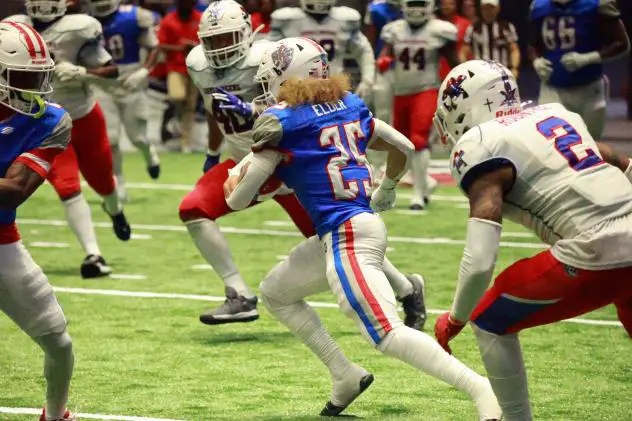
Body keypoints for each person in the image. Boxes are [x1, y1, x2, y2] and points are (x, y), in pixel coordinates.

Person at [223, 37, 502, 419]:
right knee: (276, 293)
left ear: (288, 77)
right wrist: (387, 187)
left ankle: (482, 390)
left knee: (387, 334)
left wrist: (235, 177)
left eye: (271, 78)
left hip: (345, 235)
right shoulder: (349, 104)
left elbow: (236, 201)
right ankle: (344, 375)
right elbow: (400, 144)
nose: (267, 87)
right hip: (354, 225)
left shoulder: (282, 124)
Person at [181, 0, 426, 329]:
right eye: (212, 41)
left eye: (226, 39)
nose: (219, 49)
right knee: (193, 208)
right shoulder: (198, 65)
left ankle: (406, 288)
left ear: (245, 33)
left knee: (335, 237)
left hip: (293, 162)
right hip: (249, 160)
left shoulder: (273, 57)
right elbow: (217, 111)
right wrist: (213, 151)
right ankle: (238, 293)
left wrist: (253, 111)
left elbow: (299, 109)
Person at [433, 59, 632, 421]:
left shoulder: (481, 142)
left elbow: (480, 259)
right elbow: (620, 162)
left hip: (595, 247)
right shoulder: (558, 115)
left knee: (487, 318)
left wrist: (456, 318)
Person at [4, 0, 132, 278]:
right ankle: (93, 254)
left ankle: (114, 209)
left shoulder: (79, 29)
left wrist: (83, 72)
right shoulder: (14, 29)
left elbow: (113, 70)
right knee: (67, 186)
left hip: (83, 116)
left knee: (103, 181)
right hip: (43, 122)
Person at [0, 21, 76, 421]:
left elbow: (15, 189)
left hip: (1, 239)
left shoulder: (49, 120)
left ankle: (56, 413)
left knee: (58, 341)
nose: (34, 89)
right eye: (22, 77)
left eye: (36, 76)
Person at [377, 0, 457, 210]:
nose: (415, 8)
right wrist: (384, 60)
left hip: (426, 89)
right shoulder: (394, 30)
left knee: (418, 139)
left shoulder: (439, 30)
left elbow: (454, 60)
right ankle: (426, 183)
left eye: (420, 3)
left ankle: (418, 195)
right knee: (401, 143)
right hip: (400, 91)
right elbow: (386, 53)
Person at [86, 0, 162, 203]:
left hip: (131, 81)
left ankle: (149, 154)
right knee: (110, 139)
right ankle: (118, 183)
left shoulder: (134, 16)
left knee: (137, 138)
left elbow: (154, 46)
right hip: (102, 84)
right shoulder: (84, 21)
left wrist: (145, 71)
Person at [529, 0, 630, 139]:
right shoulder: (539, 7)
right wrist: (536, 61)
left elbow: (622, 43)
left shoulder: (596, 5)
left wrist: (589, 58)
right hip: (552, 88)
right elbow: (532, 44)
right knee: (552, 144)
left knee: (591, 144)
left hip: (589, 89)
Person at [268, 0, 375, 103]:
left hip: (333, 88)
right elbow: (267, 52)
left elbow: (363, 51)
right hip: (297, 90)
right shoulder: (287, 20)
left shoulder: (344, 19)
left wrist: (367, 81)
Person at [157, 0, 202, 153]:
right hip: (175, 67)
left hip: (195, 67)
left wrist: (195, 47)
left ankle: (185, 142)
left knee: (190, 106)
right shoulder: (168, 20)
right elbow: (161, 45)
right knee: (177, 96)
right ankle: (172, 114)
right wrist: (180, 48)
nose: (186, 5)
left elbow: (208, 42)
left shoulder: (201, 18)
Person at [363, 0, 402, 124]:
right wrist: (372, 64)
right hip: (385, 66)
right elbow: (370, 41)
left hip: (412, 67)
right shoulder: (376, 9)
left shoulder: (419, 4)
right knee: (383, 111)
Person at [460, 0, 520, 79]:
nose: (488, 11)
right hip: (480, 75)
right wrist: (466, 70)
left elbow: (514, 50)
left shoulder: (506, 27)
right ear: (481, 9)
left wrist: (514, 68)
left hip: (502, 74)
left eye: (491, 8)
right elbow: (463, 52)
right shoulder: (473, 28)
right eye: (485, 8)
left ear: (497, 8)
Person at [438, 0, 471, 80]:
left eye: (450, 4)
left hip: (460, 72)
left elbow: (468, 49)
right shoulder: (435, 25)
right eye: (444, 4)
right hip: (438, 73)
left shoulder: (466, 24)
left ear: (456, 5)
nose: (447, 7)